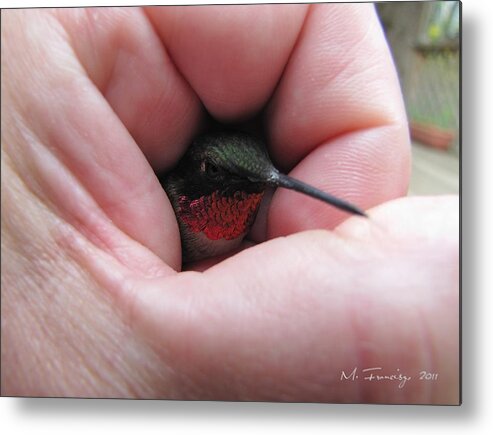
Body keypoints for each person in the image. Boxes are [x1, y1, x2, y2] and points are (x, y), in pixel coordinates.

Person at [1, 5, 459, 403]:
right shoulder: (173, 197)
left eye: (264, 185)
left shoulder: (254, 201)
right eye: (221, 175)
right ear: (201, 175)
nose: (261, 188)